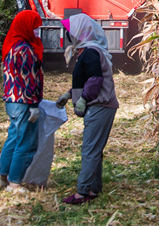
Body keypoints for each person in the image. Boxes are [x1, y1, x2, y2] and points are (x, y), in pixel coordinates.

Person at [56, 13, 119, 205]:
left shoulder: (91, 52)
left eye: (71, 32)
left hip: (100, 106)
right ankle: (94, 188)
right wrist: (69, 95)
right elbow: (86, 79)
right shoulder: (89, 51)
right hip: (101, 105)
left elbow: (94, 80)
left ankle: (82, 192)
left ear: (81, 33)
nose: (69, 35)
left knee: (89, 149)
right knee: (95, 149)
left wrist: (83, 99)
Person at [0, 9, 45, 192]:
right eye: (35, 27)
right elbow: (29, 79)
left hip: (11, 100)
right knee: (26, 141)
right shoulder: (25, 50)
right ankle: (14, 182)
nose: (37, 31)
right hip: (24, 101)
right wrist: (33, 105)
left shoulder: (11, 44)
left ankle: (2, 176)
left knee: (13, 138)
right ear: (26, 27)